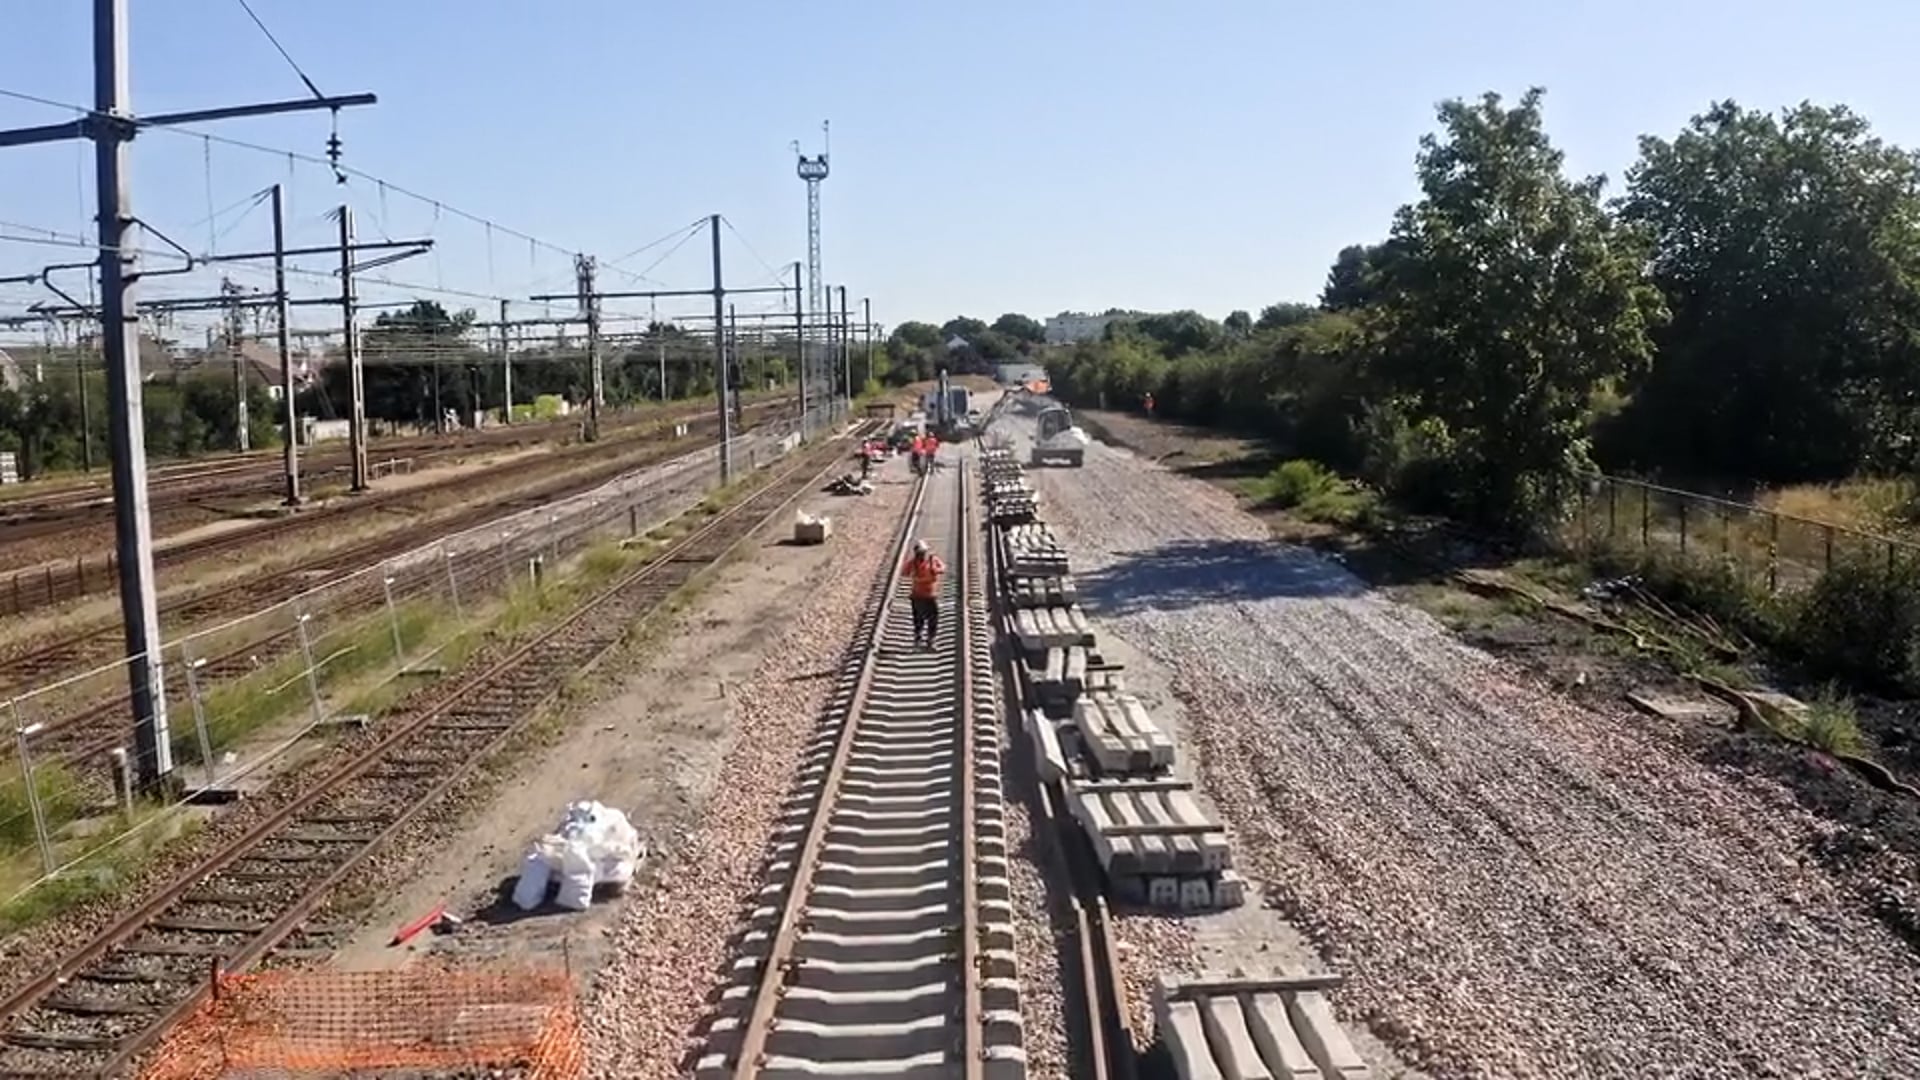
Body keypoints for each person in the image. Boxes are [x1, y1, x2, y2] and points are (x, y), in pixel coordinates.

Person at [902, 539, 946, 650]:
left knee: (933, 618)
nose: (921, 555)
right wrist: (911, 573)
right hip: (917, 595)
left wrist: (936, 569)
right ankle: (918, 639)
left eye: (923, 552)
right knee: (918, 619)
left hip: (930, 595)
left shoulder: (932, 560)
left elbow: (943, 568)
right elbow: (904, 572)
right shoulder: (913, 563)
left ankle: (931, 639)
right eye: (919, 553)